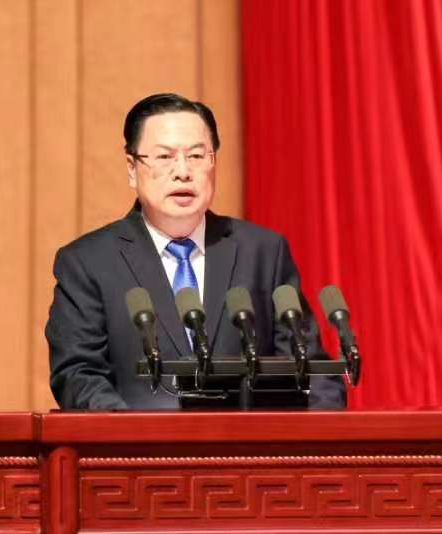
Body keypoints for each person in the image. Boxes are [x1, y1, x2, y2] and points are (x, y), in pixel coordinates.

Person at [46, 93, 345, 410]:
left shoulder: (263, 253)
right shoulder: (88, 262)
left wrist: (312, 435)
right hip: (139, 440)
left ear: (213, 162)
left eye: (197, 156)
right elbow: (78, 375)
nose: (183, 171)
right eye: (164, 157)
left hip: (247, 440)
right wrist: (136, 433)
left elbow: (312, 372)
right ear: (132, 168)